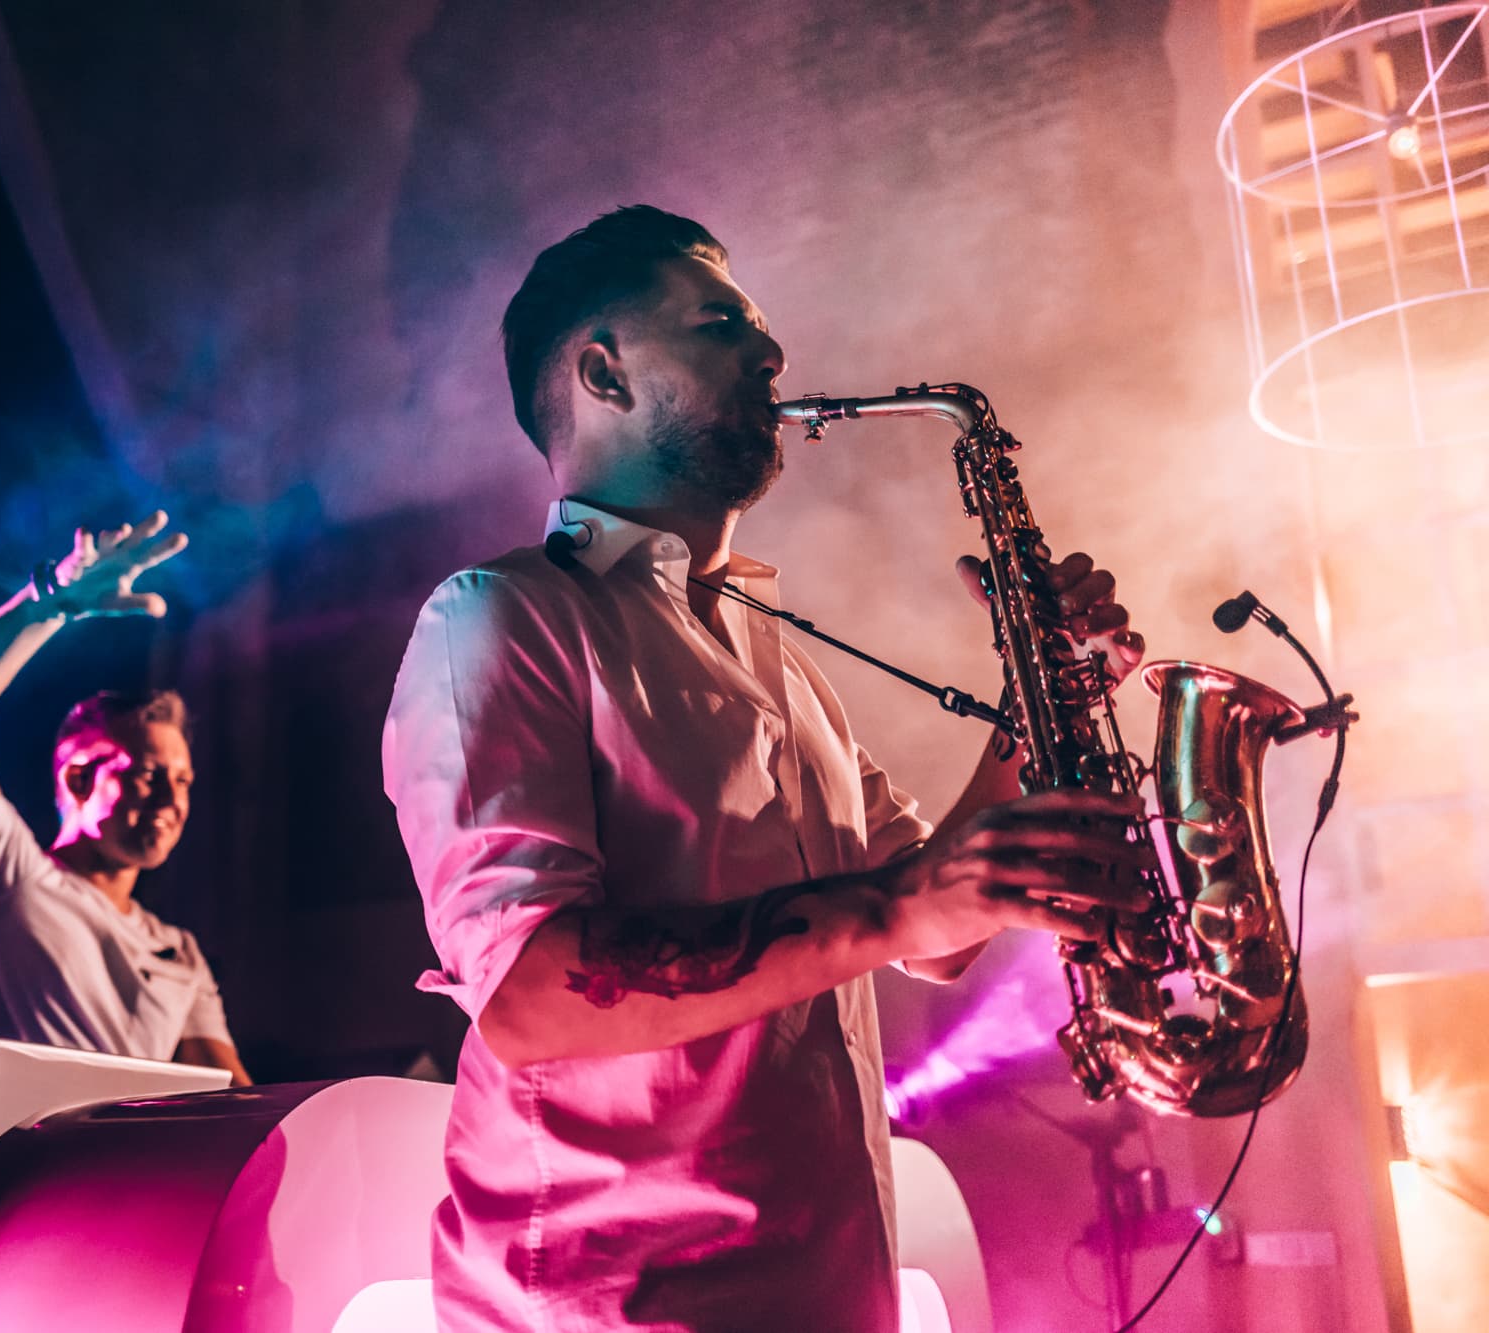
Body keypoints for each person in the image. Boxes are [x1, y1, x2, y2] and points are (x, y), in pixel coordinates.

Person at [381, 207, 1152, 1331]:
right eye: (720, 325)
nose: (773, 353)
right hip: (611, 1311)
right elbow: (530, 995)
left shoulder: (780, 664)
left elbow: (939, 934)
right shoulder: (498, 616)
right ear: (602, 373)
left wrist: (1046, 704)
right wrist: (906, 903)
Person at [0, 511, 249, 1266]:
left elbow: (238, 1107)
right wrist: (48, 604)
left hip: (88, 1257)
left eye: (183, 779)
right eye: (147, 773)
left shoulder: (178, 951)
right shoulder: (3, 873)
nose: (173, 797)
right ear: (79, 779)